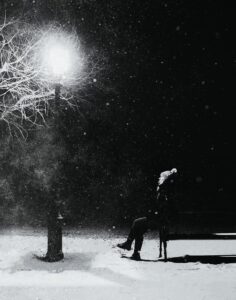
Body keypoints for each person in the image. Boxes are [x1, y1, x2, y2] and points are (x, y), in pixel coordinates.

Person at [117, 168, 178, 260]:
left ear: (165, 179)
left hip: (160, 221)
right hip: (160, 219)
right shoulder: (164, 191)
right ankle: (135, 252)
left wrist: (171, 174)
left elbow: (161, 209)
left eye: (161, 177)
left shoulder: (164, 191)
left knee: (137, 223)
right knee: (139, 229)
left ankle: (129, 244)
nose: (159, 179)